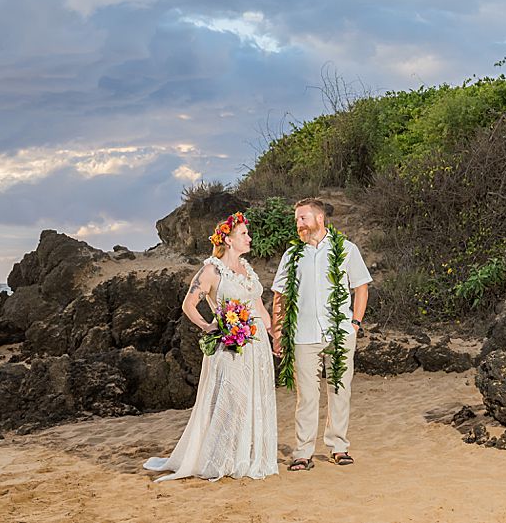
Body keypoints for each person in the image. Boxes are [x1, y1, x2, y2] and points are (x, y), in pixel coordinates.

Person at [143, 211, 278, 481]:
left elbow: (258, 307)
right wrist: (208, 326)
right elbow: (188, 304)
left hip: (257, 345)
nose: (249, 238)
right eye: (243, 234)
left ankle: (247, 455)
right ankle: (221, 457)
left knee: (252, 398)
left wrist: (274, 334)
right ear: (227, 240)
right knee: (231, 400)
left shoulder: (247, 270)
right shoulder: (211, 270)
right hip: (229, 346)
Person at [271, 197, 371, 471]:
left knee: (339, 390)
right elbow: (279, 295)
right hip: (303, 336)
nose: (299, 224)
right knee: (306, 396)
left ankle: (339, 447)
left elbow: (361, 287)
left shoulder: (346, 249)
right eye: (297, 220)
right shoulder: (292, 255)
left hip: (339, 333)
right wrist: (277, 331)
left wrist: (355, 323)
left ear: (319, 218)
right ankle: (303, 452)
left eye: (303, 218)